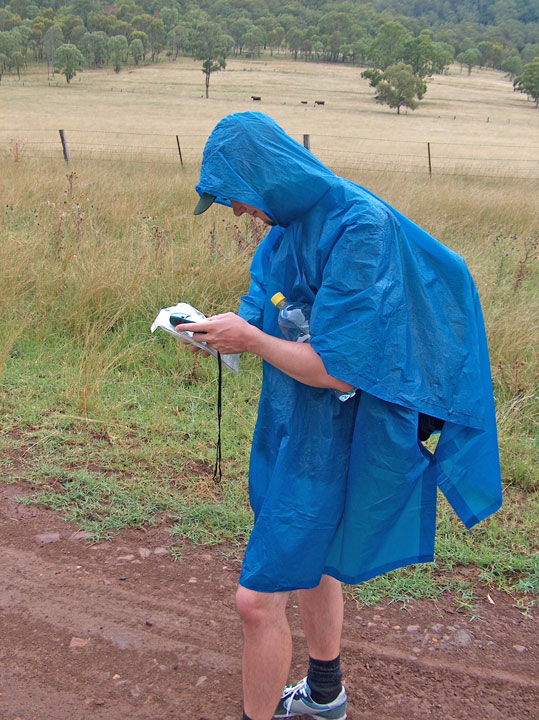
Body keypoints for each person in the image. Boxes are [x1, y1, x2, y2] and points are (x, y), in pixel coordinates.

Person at [177, 112, 502, 720]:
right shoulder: (281, 232)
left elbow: (339, 370)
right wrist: (212, 334)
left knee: (256, 599)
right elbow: (260, 314)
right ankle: (325, 694)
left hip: (346, 433)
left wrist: (250, 340)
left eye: (239, 199)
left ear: (268, 176)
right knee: (310, 558)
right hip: (291, 419)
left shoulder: (360, 227)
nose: (241, 214)